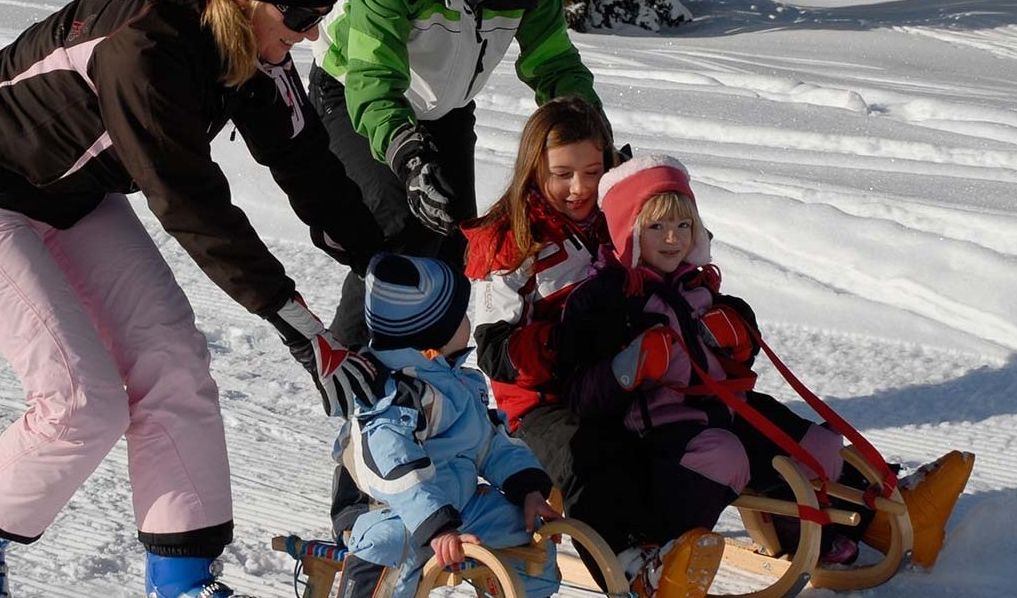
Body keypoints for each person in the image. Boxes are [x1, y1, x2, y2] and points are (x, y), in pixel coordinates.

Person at [0, 0, 387, 598]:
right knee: (82, 400)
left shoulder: (248, 45)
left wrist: (378, 256)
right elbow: (189, 203)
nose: (312, 35)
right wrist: (296, 321)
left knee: (174, 361)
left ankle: (183, 582)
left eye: (320, 15)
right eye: (300, 16)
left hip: (72, 203)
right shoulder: (142, 52)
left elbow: (303, 159)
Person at [308, 0, 602, 349]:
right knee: (398, 232)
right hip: (352, 92)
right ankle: (351, 367)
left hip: (444, 109)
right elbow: (373, 78)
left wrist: (594, 137)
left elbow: (553, 63)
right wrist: (410, 159)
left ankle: (431, 375)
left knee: (459, 243)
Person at [461, 99, 723, 598]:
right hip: (544, 402)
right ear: (534, 168)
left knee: (702, 421)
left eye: (592, 171)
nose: (579, 188)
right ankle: (628, 565)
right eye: (562, 174)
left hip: (622, 377)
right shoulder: (511, 241)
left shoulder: (616, 215)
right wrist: (562, 342)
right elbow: (495, 351)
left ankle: (682, 537)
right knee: (590, 454)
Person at [560, 154, 864, 570]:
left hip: (726, 409)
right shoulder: (605, 299)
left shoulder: (697, 283)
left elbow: (739, 351)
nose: (673, 239)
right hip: (656, 432)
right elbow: (580, 394)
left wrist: (739, 338)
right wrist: (627, 368)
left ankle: (801, 531)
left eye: (683, 226)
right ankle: (668, 553)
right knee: (721, 454)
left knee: (821, 447)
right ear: (628, 231)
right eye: (657, 227)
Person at [331, 253, 564, 598]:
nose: (468, 322)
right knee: (392, 545)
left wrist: (526, 487)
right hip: (389, 511)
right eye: (460, 317)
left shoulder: (456, 383)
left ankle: (526, 591)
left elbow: (490, 442)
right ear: (432, 335)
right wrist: (436, 527)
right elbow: (396, 470)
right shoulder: (393, 396)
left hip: (458, 507)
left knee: (525, 526)